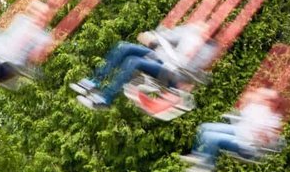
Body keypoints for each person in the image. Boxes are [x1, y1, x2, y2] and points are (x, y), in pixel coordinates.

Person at [71, 20, 217, 110]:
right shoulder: (191, 31)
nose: (204, 31)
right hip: (160, 56)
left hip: (173, 71)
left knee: (133, 61)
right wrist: (152, 38)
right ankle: (95, 81)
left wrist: (192, 52)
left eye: (208, 31)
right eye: (204, 28)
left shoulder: (208, 50)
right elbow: (168, 37)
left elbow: (193, 70)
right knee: (123, 47)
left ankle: (105, 98)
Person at [179, 87, 284, 172]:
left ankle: (206, 166)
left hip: (248, 146)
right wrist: (247, 100)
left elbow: (269, 142)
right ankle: (197, 156)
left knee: (211, 137)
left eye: (269, 100)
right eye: (265, 98)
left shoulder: (274, 119)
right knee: (203, 127)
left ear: (275, 103)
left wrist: (263, 134)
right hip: (239, 131)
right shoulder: (258, 108)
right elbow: (241, 112)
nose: (265, 101)